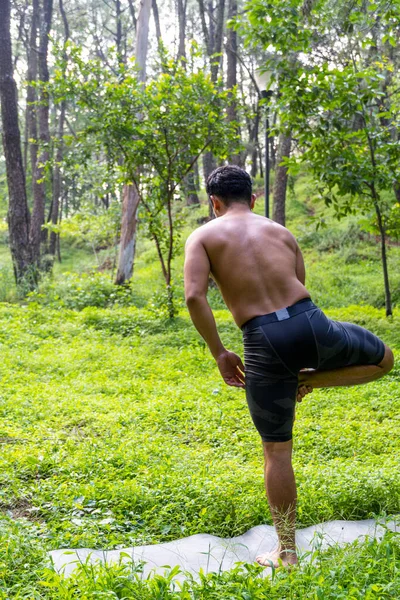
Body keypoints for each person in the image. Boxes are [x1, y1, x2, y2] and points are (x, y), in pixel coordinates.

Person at [183, 165, 394, 568]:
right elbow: (298, 282)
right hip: (311, 323)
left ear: (214, 203)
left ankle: (288, 553)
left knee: (277, 452)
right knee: (384, 359)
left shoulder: (203, 236)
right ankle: (308, 379)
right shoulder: (280, 231)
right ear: (254, 198)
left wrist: (220, 353)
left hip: (262, 342)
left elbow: (195, 297)